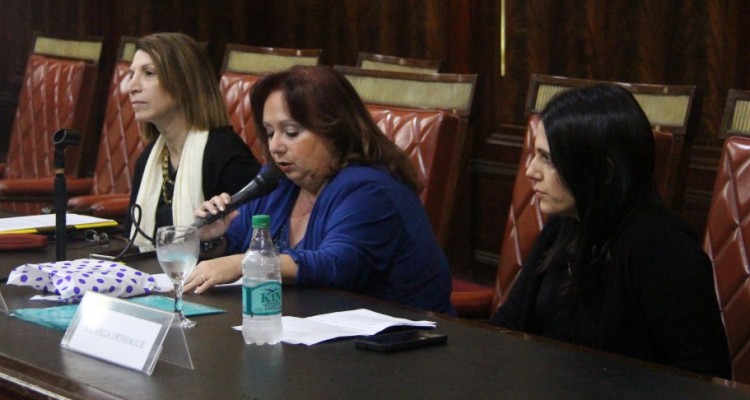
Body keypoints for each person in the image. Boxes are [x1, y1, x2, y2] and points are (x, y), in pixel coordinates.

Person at [489, 85, 731, 378]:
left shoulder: (662, 248)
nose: (530, 171)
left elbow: (705, 380)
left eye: (548, 159)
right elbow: (508, 326)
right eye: (535, 155)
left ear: (603, 172)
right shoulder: (567, 224)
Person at [183, 65, 455, 315]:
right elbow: (238, 241)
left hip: (402, 347)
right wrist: (214, 239)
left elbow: (337, 264)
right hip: (314, 337)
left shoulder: (369, 190)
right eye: (269, 132)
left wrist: (245, 263)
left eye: (291, 132)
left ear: (335, 132)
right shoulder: (278, 182)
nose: (276, 146)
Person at [126, 32, 261, 246]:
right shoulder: (149, 158)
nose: (131, 87)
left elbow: (256, 239)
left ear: (184, 84)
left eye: (149, 73)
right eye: (131, 75)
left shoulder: (225, 154)